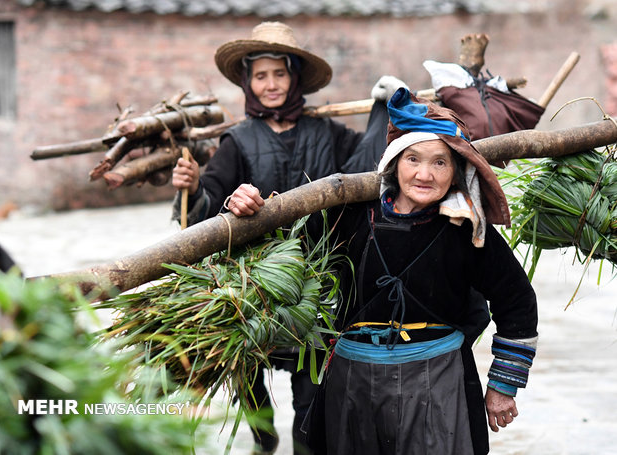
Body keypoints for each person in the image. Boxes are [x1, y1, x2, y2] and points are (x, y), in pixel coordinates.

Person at [170, 21, 399, 455]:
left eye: (280, 74)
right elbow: (200, 219)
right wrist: (197, 189)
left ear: (295, 77)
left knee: (311, 390)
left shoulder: (327, 133)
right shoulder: (236, 141)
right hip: (252, 283)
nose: (271, 84)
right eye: (261, 76)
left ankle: (304, 445)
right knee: (248, 371)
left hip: (318, 281)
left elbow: (371, 161)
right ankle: (262, 434)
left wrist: (385, 111)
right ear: (247, 82)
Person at [306, 87, 538, 455]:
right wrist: (250, 205)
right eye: (413, 159)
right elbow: (289, 249)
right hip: (353, 383)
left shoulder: (467, 228)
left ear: (456, 171)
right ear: (394, 163)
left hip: (438, 384)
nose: (425, 174)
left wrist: (502, 386)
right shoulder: (349, 216)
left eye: (440, 163)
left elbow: (518, 302)